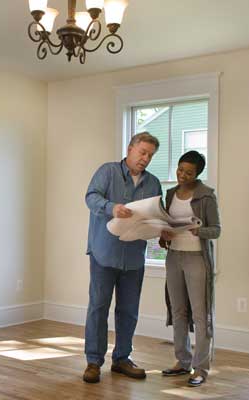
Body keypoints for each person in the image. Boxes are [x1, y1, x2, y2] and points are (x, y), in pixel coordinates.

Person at [83, 132, 162, 383]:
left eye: (150, 155)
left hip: (134, 257)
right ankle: (93, 362)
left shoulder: (153, 183)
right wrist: (112, 207)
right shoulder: (107, 172)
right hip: (103, 254)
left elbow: (156, 215)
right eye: (142, 152)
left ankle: (122, 359)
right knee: (98, 308)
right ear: (130, 149)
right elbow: (91, 197)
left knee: (129, 311)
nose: (145, 158)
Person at [159, 150, 221, 387]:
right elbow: (167, 224)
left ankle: (201, 368)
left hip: (197, 259)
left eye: (188, 172)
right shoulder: (171, 194)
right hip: (174, 256)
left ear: (197, 174)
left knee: (200, 314)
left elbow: (216, 230)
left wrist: (198, 230)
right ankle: (182, 361)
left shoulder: (206, 196)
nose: (182, 175)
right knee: (178, 311)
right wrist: (164, 235)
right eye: (180, 169)